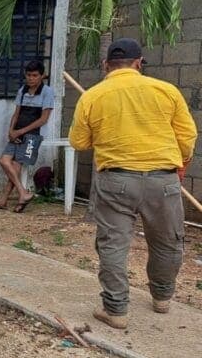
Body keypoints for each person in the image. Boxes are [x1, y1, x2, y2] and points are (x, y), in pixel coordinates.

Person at [69, 38, 197, 330]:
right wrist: (179, 166)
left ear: (105, 66)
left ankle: (116, 310)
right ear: (139, 63)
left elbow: (78, 141)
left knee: (113, 245)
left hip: (115, 181)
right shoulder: (166, 90)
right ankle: (162, 298)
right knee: (167, 242)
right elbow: (187, 137)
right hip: (163, 180)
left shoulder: (93, 96)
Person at [0, 60, 55, 212]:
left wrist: (20, 132)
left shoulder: (47, 92)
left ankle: (5, 199)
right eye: (28, 75)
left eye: (35, 75)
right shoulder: (22, 90)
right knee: (4, 161)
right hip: (16, 133)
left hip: (32, 136)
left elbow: (43, 119)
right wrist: (11, 131)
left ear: (42, 76)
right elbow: (16, 114)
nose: (31, 78)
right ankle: (23, 193)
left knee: (15, 167)